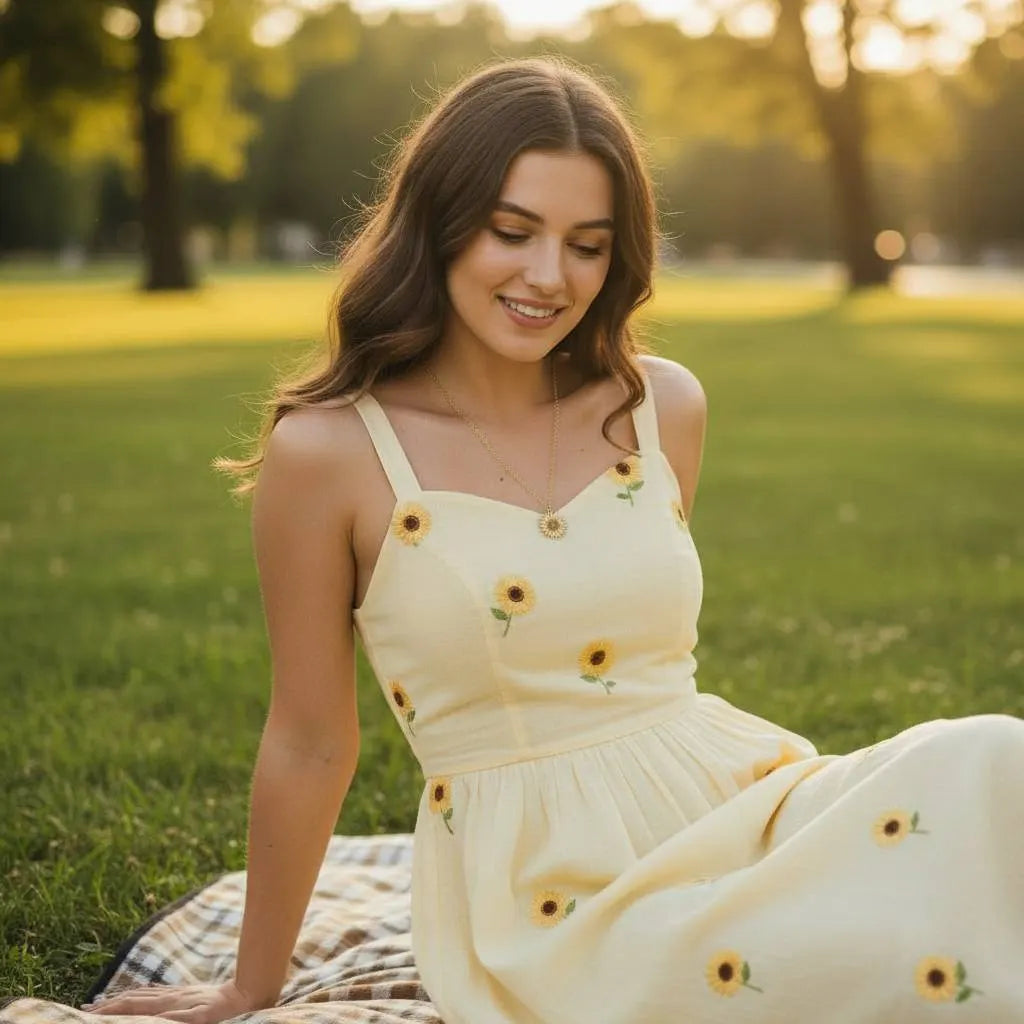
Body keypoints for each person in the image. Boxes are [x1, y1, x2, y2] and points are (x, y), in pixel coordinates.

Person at [78, 56, 1024, 1024]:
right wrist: (251, 985)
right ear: (439, 222)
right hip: (550, 902)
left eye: (586, 245)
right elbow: (310, 741)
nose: (547, 276)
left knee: (994, 760)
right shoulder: (328, 453)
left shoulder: (660, 405)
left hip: (738, 806)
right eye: (512, 231)